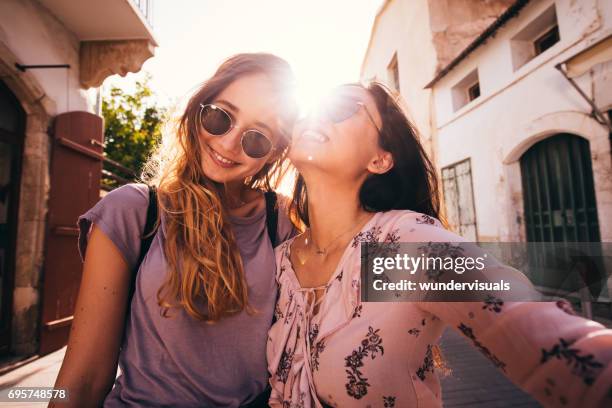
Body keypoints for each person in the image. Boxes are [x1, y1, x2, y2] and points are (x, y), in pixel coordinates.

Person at [267, 82, 612, 407]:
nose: (318, 114)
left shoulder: (394, 249)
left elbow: (517, 317)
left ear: (380, 159)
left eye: (343, 106)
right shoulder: (279, 261)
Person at [51, 53, 298, 407]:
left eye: (256, 138)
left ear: (274, 153)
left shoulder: (283, 220)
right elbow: (84, 377)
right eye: (220, 117)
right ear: (200, 108)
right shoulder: (133, 211)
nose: (228, 144)